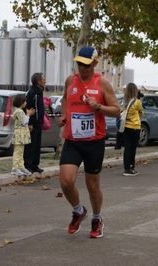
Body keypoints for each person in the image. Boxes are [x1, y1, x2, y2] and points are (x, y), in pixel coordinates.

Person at [57, 46, 119, 238]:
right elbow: (66, 99)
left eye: (86, 65)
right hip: (73, 140)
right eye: (79, 64)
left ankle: (97, 218)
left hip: (94, 142)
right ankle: (78, 210)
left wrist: (98, 106)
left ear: (94, 63)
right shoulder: (70, 80)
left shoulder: (103, 83)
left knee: (92, 186)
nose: (82, 69)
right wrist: (63, 116)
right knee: (66, 181)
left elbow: (116, 110)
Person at [24, 73, 46, 174]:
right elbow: (28, 107)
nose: (45, 80)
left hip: (39, 122)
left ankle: (34, 165)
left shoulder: (40, 92)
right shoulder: (32, 92)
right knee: (31, 145)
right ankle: (27, 165)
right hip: (32, 123)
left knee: (37, 145)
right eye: (43, 79)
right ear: (38, 81)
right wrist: (30, 123)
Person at [10, 94, 35, 176]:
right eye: (25, 101)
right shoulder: (19, 112)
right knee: (17, 152)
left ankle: (21, 166)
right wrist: (28, 115)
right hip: (19, 134)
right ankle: (14, 168)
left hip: (22, 134)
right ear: (21, 102)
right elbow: (24, 122)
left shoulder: (19, 111)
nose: (26, 103)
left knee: (21, 152)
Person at [122, 83, 143, 176]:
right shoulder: (137, 102)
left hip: (125, 127)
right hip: (135, 126)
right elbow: (141, 113)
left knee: (127, 147)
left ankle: (126, 167)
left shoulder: (124, 101)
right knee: (133, 148)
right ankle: (131, 167)